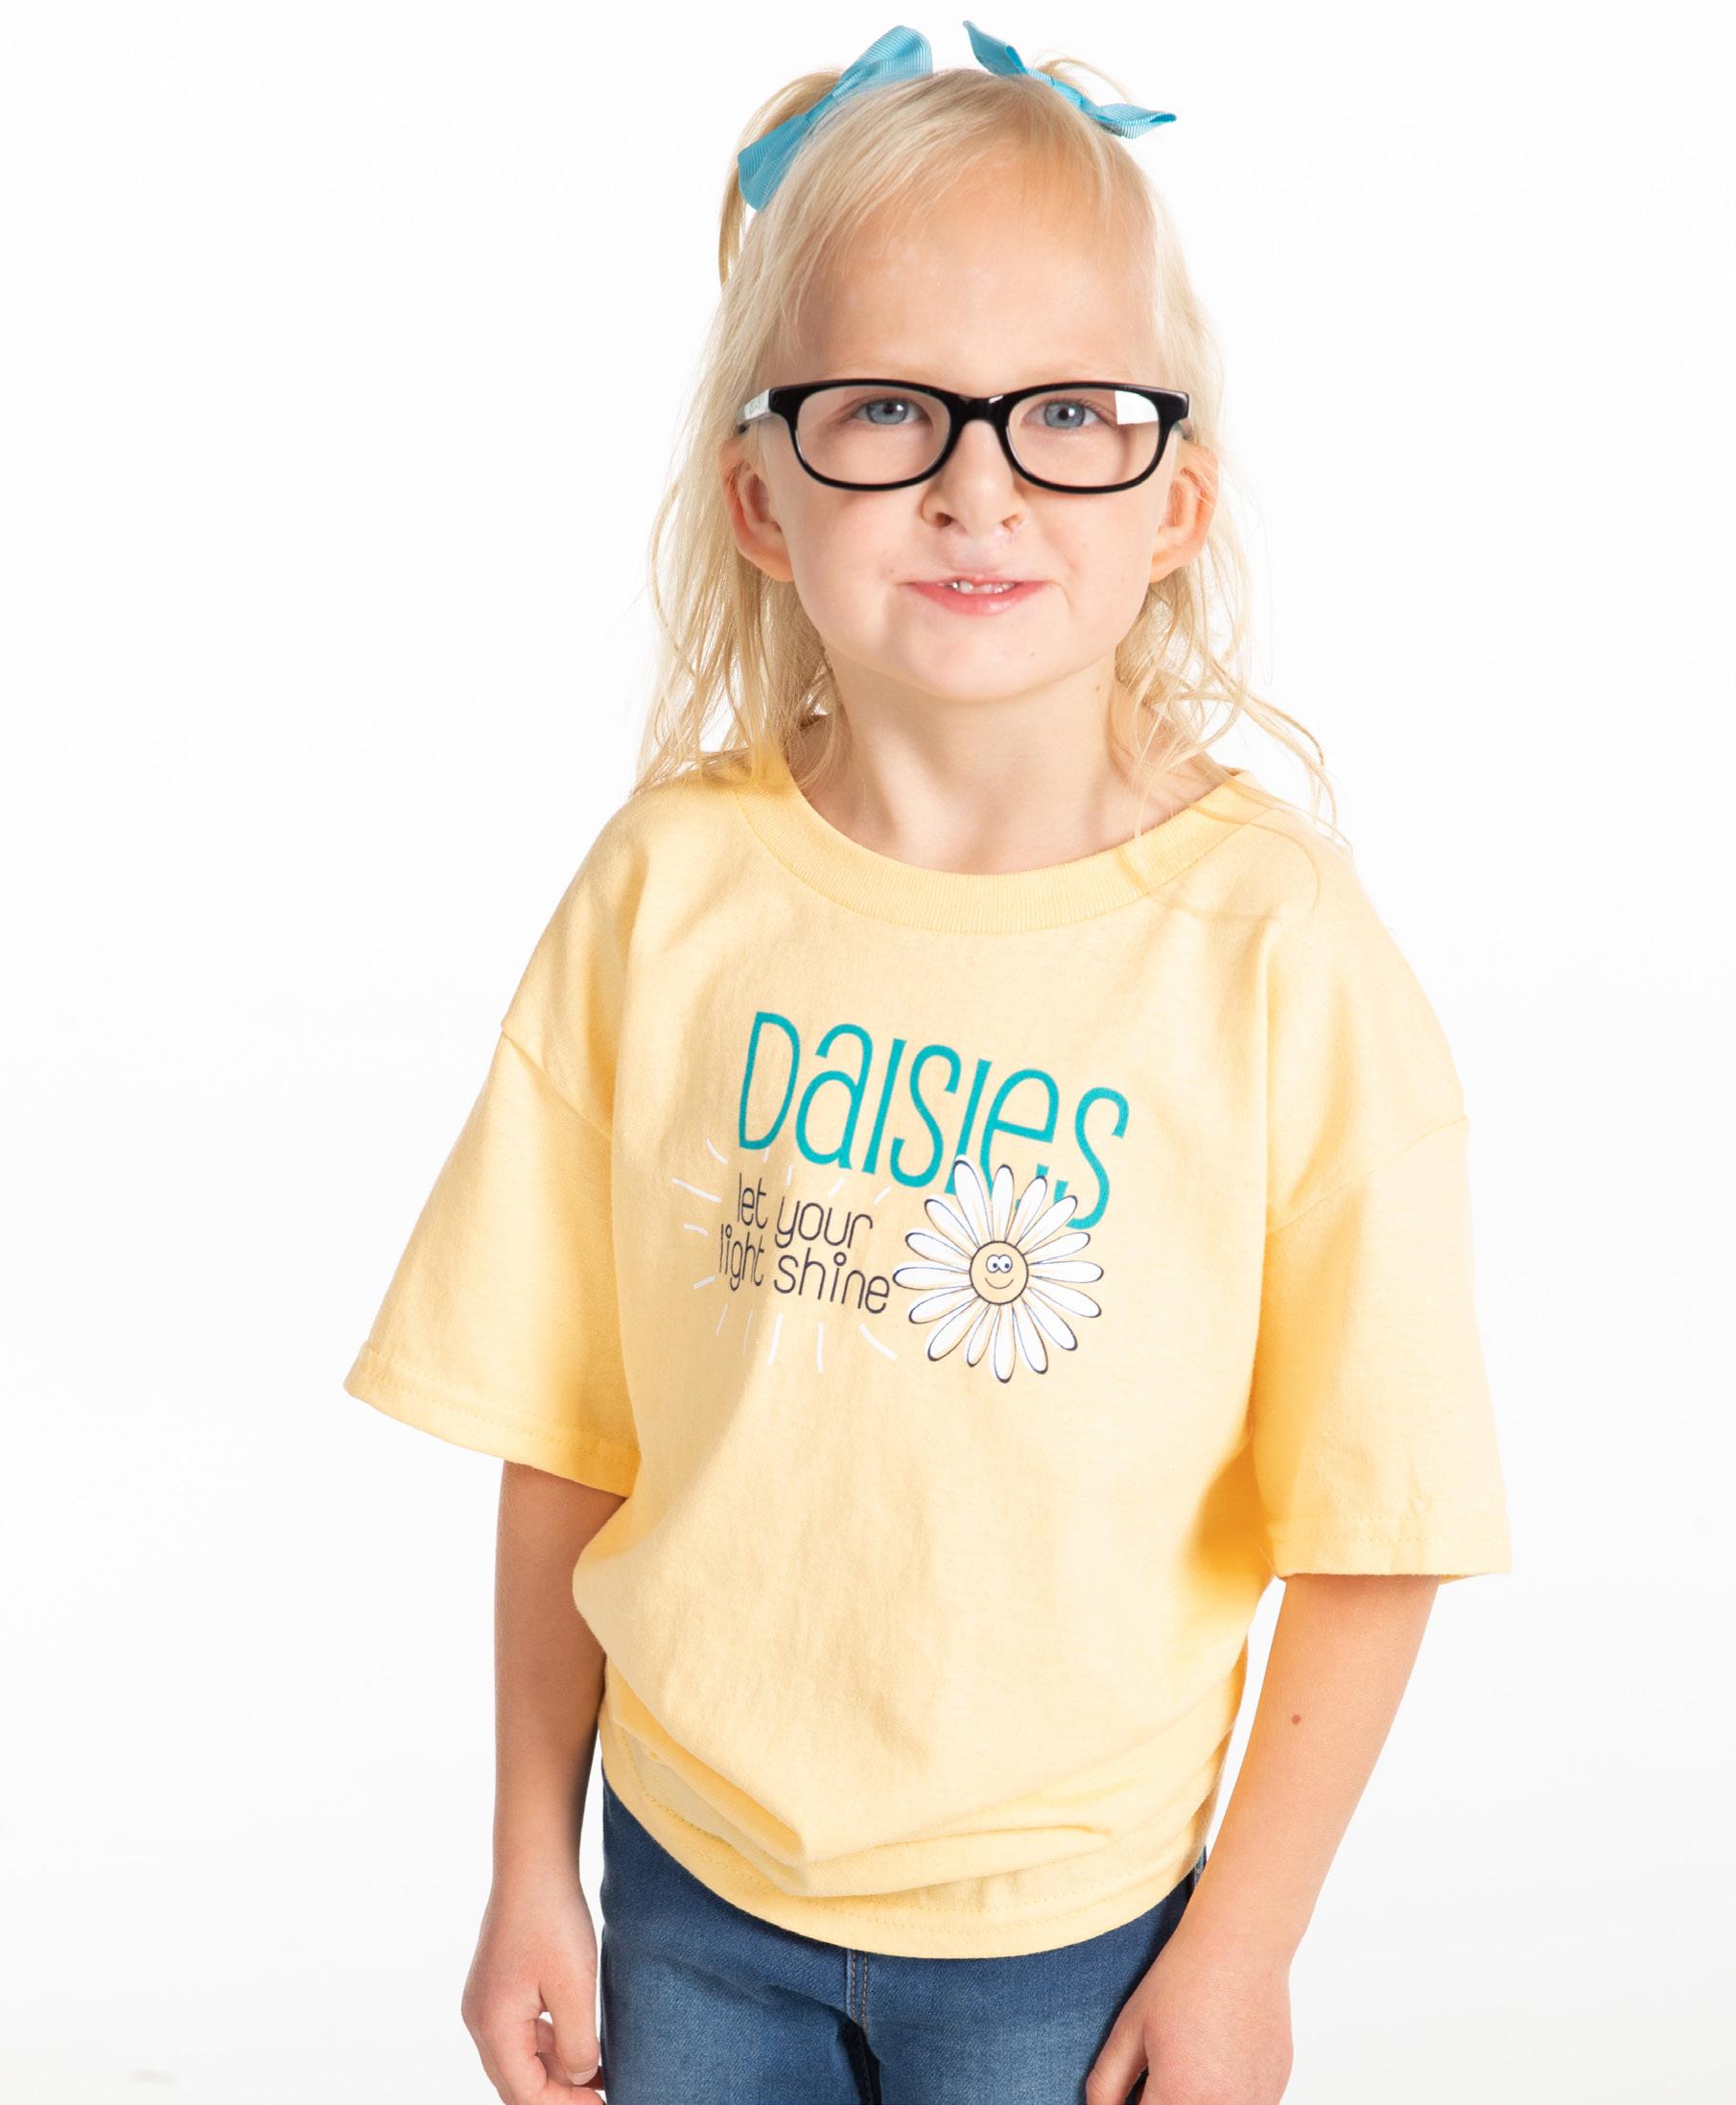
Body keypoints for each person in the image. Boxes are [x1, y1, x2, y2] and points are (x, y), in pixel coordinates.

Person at [341, 22, 1513, 2104]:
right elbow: (565, 1429)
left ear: (1174, 496)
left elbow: (1374, 1521)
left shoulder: (1273, 955)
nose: (979, 484)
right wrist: (531, 1858)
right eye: (886, 409)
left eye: (1065, 412)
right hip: (685, 1895)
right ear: (761, 493)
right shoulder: (667, 892)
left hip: (1074, 1936)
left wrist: (1242, 1950)